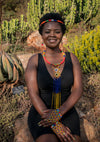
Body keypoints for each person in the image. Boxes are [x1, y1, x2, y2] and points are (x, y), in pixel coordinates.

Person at [25, 13, 83, 142]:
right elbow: (33, 93)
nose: (52, 35)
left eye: (57, 31)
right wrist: (54, 123)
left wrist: (59, 113)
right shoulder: (34, 61)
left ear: (62, 34)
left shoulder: (72, 58)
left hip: (67, 111)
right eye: (47, 32)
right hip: (41, 113)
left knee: (72, 139)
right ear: (42, 34)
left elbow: (78, 89)